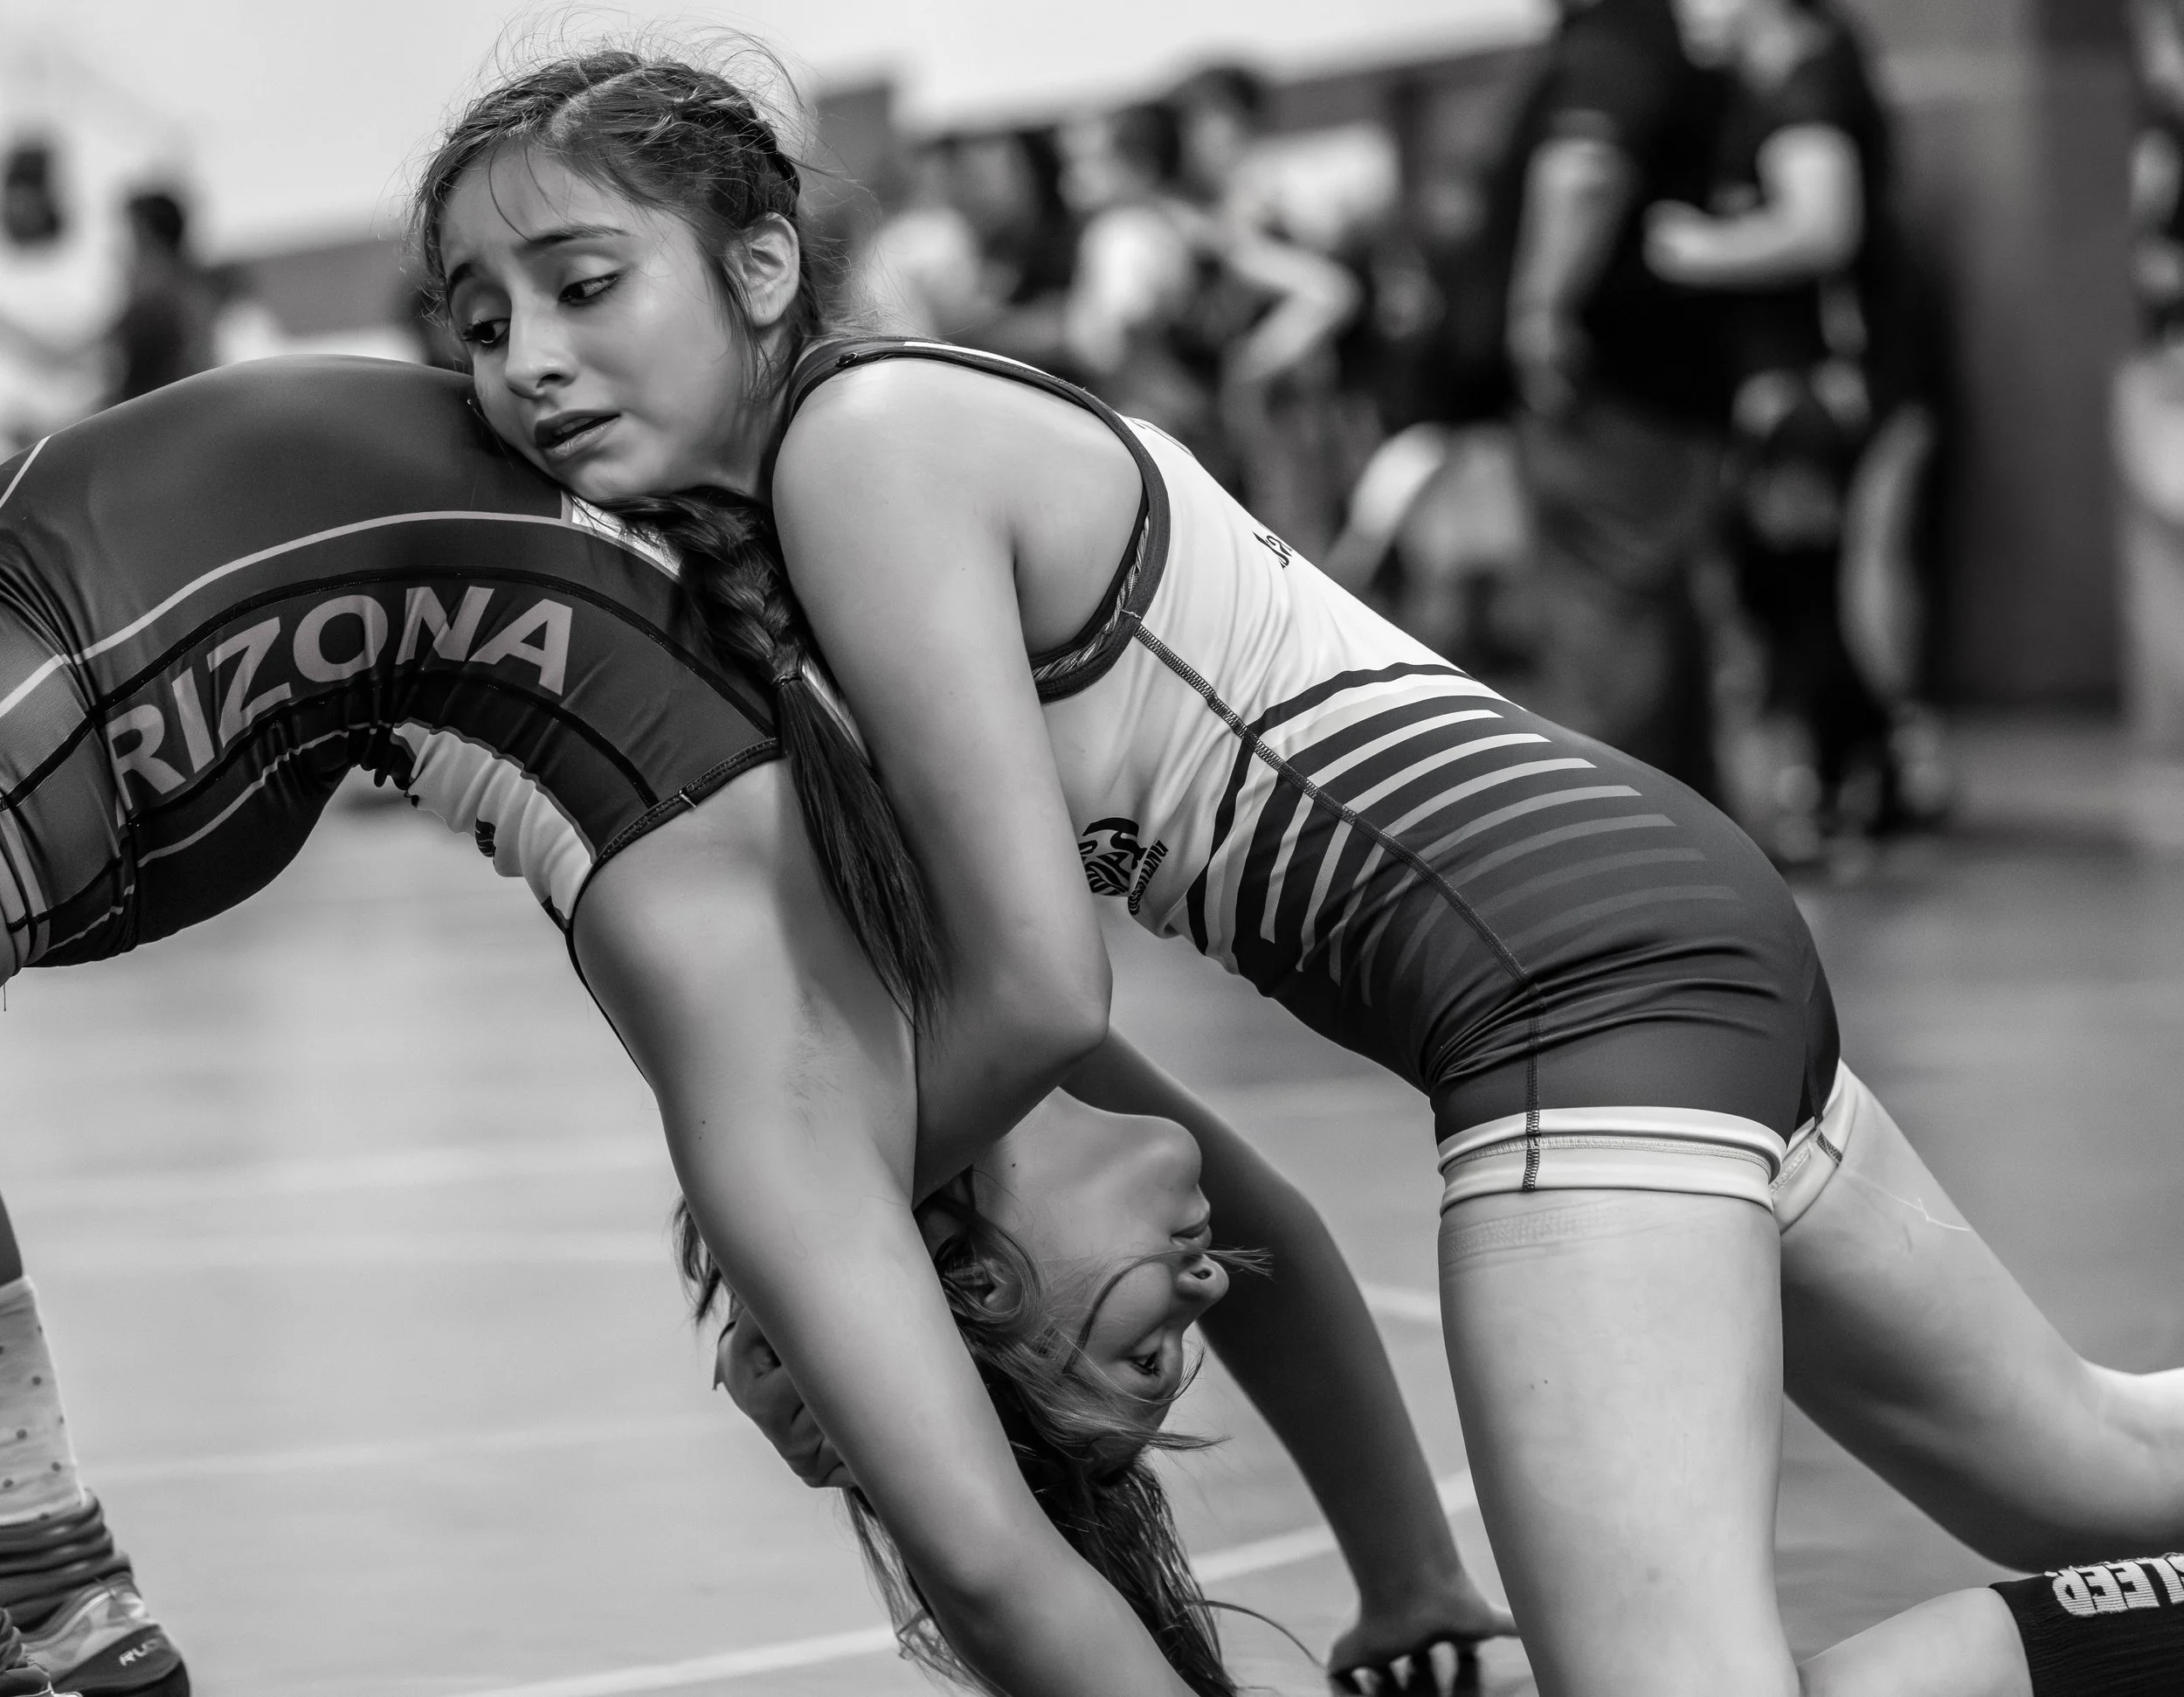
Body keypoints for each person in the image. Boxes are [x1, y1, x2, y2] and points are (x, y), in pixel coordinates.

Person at [426, 41, 2184, 1696]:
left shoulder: (861, 449)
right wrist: (1405, 1570)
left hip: (1568, 983)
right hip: (1638, 921)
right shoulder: (827, 568)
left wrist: (800, 1248)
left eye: (587, 285)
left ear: (756, 268)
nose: (529, 359)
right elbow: (1237, 1201)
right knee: (2085, 1473)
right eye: (481, 321)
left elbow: (1042, 990)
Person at [0, 354, 1508, 1697]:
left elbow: (994, 1570)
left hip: (110, 717)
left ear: (970, 1287)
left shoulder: (808, 1097)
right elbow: (1284, 1253)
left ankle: (53, 1581)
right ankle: (52, 1581)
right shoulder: (967, 1029)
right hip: (166, 666)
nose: (1196, 1296)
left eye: (1132, 1355)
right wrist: (1410, 1577)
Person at [1641, 0, 1901, 858]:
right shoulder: (1774, 85)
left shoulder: (1808, 84)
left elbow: (1822, 225)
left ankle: (1828, 790)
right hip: (1789, 390)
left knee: (1793, 600)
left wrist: (1695, 251)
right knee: (1784, 595)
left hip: (1801, 396)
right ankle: (1869, 774)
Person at [1505, 0, 1731, 798]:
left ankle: (1622, 838)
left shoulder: (1610, 48)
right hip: (1663, 390)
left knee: (1605, 615)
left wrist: (1538, 313)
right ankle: (1695, 833)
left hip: (1608, 391)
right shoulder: (1661, 45)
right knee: (1658, 615)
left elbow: (1585, 170)